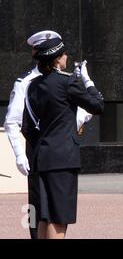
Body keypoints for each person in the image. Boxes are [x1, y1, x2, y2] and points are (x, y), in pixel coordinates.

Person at [3, 30, 92, 239]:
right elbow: (12, 122)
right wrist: (19, 154)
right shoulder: (25, 82)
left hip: (57, 148)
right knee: (39, 211)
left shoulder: (65, 80)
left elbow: (74, 115)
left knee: (56, 213)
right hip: (37, 151)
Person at [21, 37, 104, 239]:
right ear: (57, 59)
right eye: (64, 54)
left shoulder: (32, 86)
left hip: (41, 158)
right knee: (59, 217)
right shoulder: (67, 82)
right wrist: (88, 81)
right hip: (62, 160)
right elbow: (97, 105)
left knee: (43, 216)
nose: (67, 56)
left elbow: (27, 127)